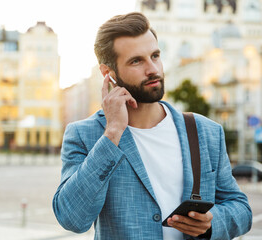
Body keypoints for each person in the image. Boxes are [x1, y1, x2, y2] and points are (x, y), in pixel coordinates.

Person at [52, 12, 252, 239]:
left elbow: (241, 209)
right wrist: (113, 133)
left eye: (155, 56)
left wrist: (212, 223)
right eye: (136, 61)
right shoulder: (85, 134)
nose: (153, 69)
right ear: (109, 73)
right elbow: (72, 218)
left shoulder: (206, 131)